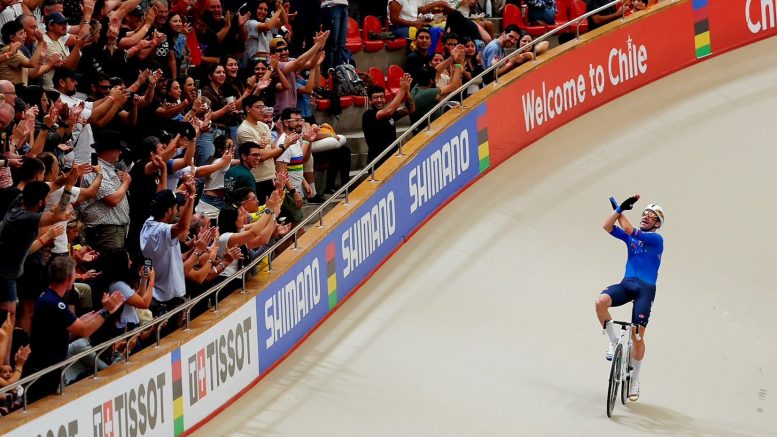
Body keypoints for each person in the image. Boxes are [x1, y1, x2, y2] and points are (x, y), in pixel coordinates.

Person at [24, 256, 124, 402]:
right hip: (45, 370)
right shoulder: (55, 304)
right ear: (70, 278)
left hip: (46, 366)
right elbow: (83, 330)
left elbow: (76, 325)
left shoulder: (49, 297)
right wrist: (106, 311)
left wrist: (99, 312)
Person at [596, 194, 665, 402]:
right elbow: (607, 226)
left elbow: (627, 228)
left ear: (657, 224)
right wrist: (618, 211)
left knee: (637, 336)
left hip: (645, 290)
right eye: (644, 213)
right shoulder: (631, 238)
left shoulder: (656, 239)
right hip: (627, 284)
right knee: (600, 302)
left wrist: (622, 209)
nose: (645, 216)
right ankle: (613, 341)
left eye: (651, 216)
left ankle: (635, 380)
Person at [362, 74, 414, 166]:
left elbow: (410, 109)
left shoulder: (389, 114)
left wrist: (406, 92)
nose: (379, 100)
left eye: (381, 97)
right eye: (375, 98)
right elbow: (389, 111)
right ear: (369, 101)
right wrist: (402, 90)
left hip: (393, 158)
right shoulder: (368, 115)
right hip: (377, 161)